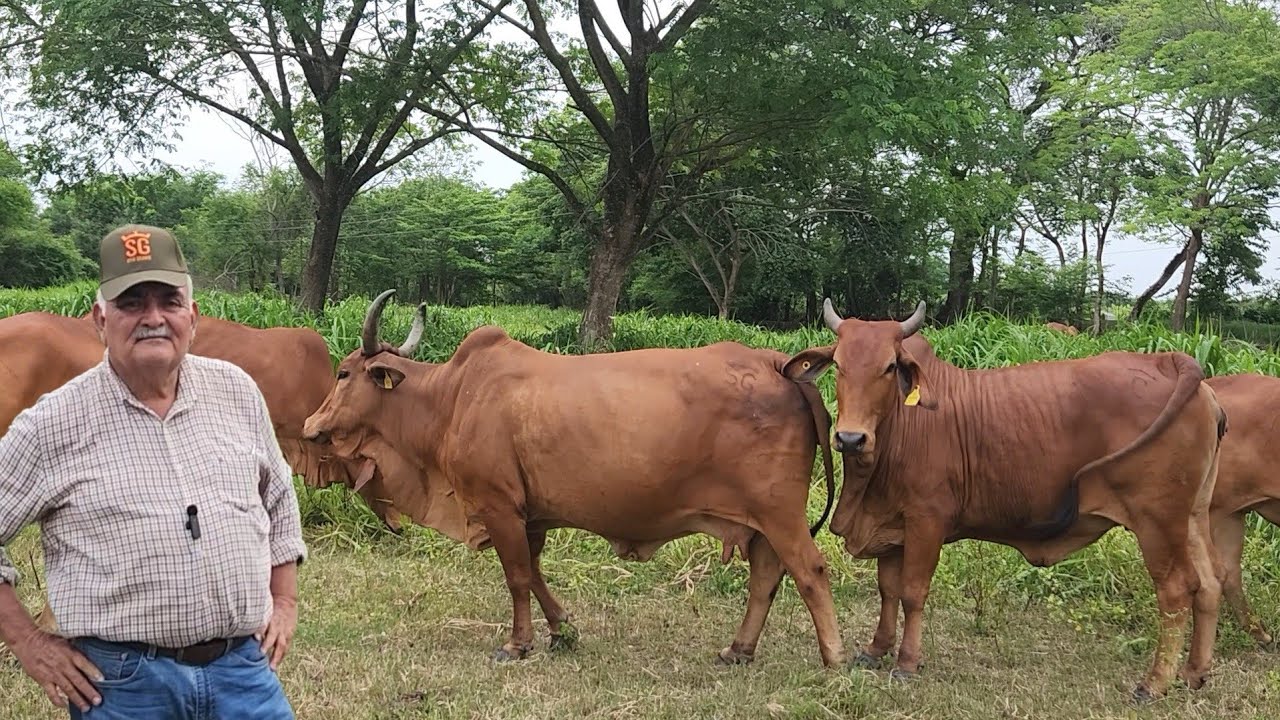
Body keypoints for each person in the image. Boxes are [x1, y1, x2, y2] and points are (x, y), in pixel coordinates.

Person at [0, 224, 307, 719]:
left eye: (168, 301)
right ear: (100, 319)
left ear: (193, 314)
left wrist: (285, 600)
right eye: (132, 303)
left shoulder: (236, 391)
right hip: (123, 685)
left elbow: (278, 497)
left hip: (244, 673)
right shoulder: (53, 422)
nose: (153, 318)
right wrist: (29, 643)